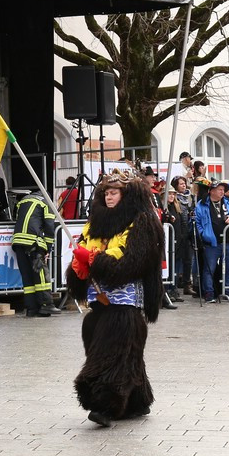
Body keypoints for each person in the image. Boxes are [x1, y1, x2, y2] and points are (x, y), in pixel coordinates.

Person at [66, 168, 163, 428]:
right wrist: (78, 268)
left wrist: (95, 261)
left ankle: (104, 404)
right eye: (107, 192)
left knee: (111, 353)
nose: (110, 197)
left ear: (127, 195)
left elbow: (130, 265)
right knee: (122, 352)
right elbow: (84, 253)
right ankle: (136, 401)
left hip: (125, 304)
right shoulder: (94, 223)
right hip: (98, 301)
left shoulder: (143, 221)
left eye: (115, 193)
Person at [11, 191, 63, 317]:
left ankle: (31, 308)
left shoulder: (22, 201)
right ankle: (47, 305)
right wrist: (47, 249)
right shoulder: (46, 203)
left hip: (17, 242)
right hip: (33, 242)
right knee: (40, 275)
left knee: (27, 276)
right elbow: (50, 228)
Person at [194, 177, 229, 303]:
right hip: (211, 243)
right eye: (220, 189)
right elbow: (197, 222)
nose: (222, 192)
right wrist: (204, 234)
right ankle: (209, 293)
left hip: (228, 241)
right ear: (212, 191)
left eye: (223, 190)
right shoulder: (202, 204)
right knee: (209, 269)